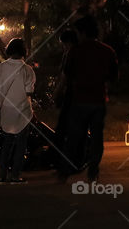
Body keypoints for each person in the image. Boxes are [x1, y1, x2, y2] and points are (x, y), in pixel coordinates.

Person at [59, 16, 118, 182]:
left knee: (75, 136)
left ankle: (65, 170)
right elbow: (113, 76)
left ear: (82, 32)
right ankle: (93, 170)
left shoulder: (75, 52)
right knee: (97, 137)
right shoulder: (108, 51)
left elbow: (67, 75)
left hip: (80, 99)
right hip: (98, 100)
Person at [0, 39, 36, 184]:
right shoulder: (28, 70)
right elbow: (29, 92)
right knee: (21, 145)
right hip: (22, 111)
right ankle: (15, 176)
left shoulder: (0, 68)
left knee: (6, 143)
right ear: (23, 51)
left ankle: (1, 176)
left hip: (6, 110)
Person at [52, 29, 78, 170]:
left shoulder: (69, 55)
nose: (63, 47)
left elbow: (64, 77)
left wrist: (57, 92)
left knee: (62, 129)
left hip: (71, 95)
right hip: (80, 95)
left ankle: (60, 160)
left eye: (64, 44)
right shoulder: (79, 54)